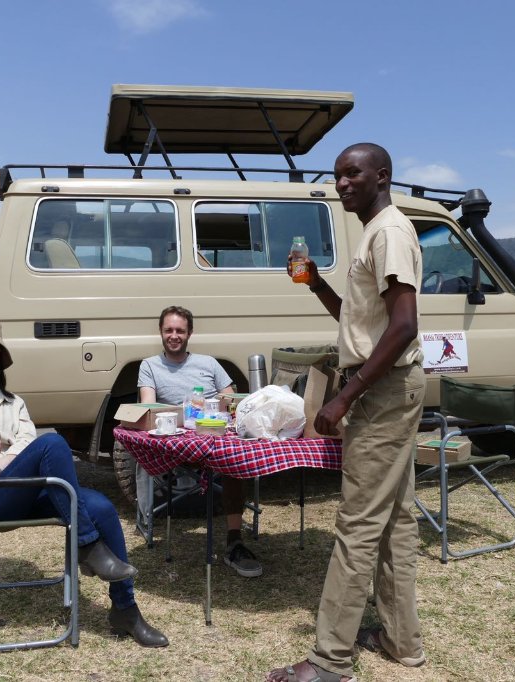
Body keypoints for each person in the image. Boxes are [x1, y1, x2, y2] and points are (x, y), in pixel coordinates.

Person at [0, 313, 168, 648]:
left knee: (101, 506)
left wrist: (0, 465)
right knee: (53, 443)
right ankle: (87, 545)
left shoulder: (12, 402)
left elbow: (27, 442)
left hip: (21, 490)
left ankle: (126, 610)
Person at [267, 143, 427, 681]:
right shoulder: (375, 233)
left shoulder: (390, 232)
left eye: (352, 173)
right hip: (387, 388)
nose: (341, 184)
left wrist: (345, 395)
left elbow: (404, 326)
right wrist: (317, 284)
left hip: (383, 392)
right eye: (337, 176)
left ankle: (329, 660)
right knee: (395, 518)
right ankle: (401, 640)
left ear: (382, 176)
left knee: (357, 524)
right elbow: (362, 325)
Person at [137, 305, 263, 578]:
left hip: (214, 435)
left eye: (180, 331)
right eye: (169, 330)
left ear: (190, 333)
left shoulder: (209, 363)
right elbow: (149, 409)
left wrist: (214, 411)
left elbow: (231, 402)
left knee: (234, 461)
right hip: (177, 444)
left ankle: (234, 539)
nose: (174, 335)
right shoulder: (149, 366)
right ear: (160, 332)